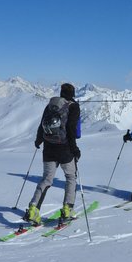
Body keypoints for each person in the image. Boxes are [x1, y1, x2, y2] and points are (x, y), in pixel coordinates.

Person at [23, 83, 81, 225]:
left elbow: (41, 124)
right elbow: (71, 129)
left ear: (61, 93)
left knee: (46, 179)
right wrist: (75, 149)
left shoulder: (50, 105)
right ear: (72, 94)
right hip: (65, 149)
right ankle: (67, 209)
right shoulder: (73, 107)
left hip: (48, 147)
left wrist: (38, 140)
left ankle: (33, 209)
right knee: (70, 177)